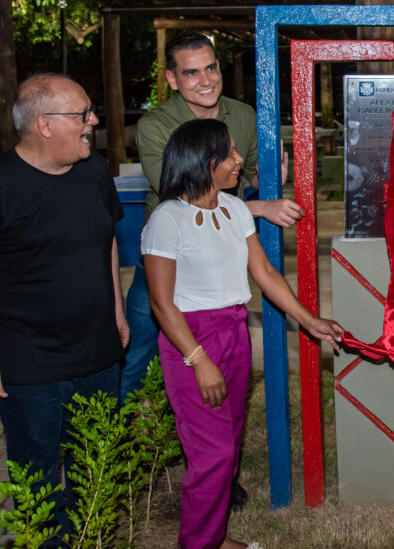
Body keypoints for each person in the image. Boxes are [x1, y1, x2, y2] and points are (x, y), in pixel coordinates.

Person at [122, 34, 305, 509]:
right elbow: (176, 187)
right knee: (140, 350)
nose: (204, 80)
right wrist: (257, 203)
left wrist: (269, 185)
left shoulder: (243, 115)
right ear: (171, 78)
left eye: (211, 69)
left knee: (226, 381)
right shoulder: (156, 124)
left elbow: (254, 175)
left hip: (223, 246)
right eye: (191, 72)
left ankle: (217, 470)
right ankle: (117, 457)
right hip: (172, 255)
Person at [143, 119, 343, 549]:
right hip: (191, 339)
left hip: (234, 328)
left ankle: (212, 538)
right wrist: (199, 361)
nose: (238, 161)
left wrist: (309, 321)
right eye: (229, 154)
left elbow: (265, 273)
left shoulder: (234, 209)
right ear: (203, 161)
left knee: (229, 443)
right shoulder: (168, 220)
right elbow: (162, 303)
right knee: (211, 454)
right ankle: (197, 545)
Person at [0, 74, 129, 540]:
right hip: (28, 364)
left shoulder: (93, 172)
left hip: (98, 354)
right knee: (39, 475)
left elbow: (106, 243)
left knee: (97, 464)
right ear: (45, 125)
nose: (92, 122)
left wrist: (117, 312)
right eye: (82, 114)